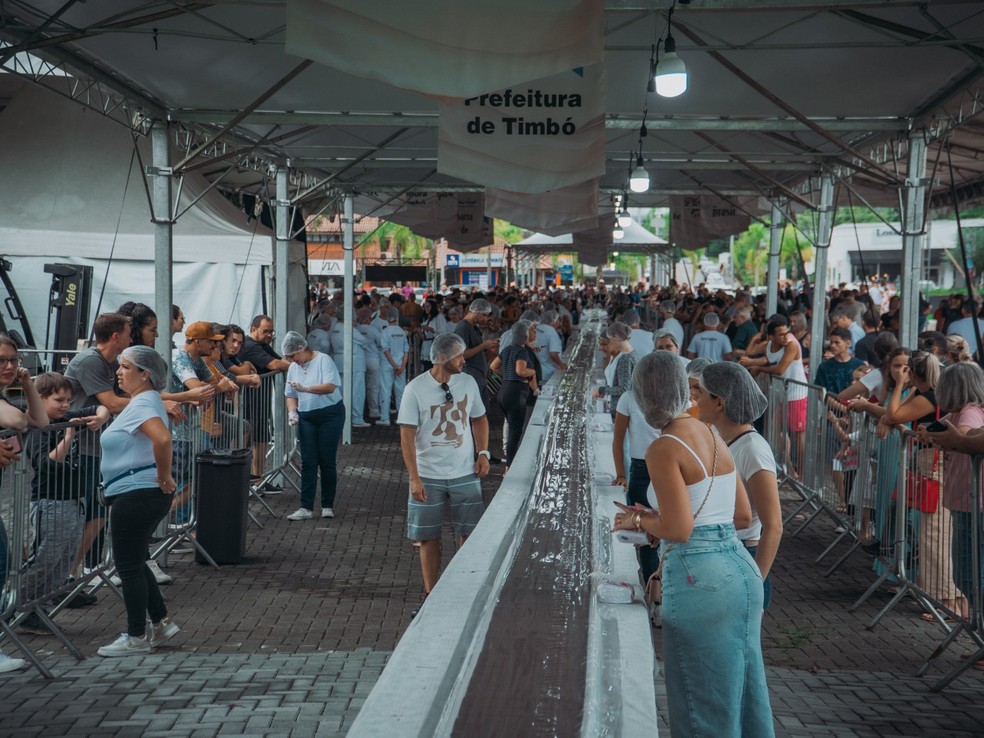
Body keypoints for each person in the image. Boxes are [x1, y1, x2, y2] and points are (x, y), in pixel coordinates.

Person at [612, 351, 774, 737]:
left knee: (702, 703)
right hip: (739, 568)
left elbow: (680, 528)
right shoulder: (714, 434)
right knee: (748, 696)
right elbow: (740, 516)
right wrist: (660, 519)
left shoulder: (663, 447)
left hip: (700, 578)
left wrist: (638, 519)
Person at [96, 346, 180, 657]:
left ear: (145, 374)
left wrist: (163, 475)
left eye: (126, 367)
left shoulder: (144, 402)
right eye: (119, 366)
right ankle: (159, 623)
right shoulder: (144, 401)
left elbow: (162, 438)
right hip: (138, 492)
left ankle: (135, 636)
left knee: (127, 566)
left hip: (138, 493)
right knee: (135, 561)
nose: (119, 372)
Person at [398, 333, 490, 611]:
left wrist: (483, 453)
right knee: (427, 536)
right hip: (428, 474)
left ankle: (461, 589)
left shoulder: (468, 382)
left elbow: (480, 418)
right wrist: (414, 477)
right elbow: (406, 436)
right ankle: (431, 593)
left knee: (470, 534)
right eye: (458, 356)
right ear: (441, 358)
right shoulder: (415, 389)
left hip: (465, 472)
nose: (464, 360)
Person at [18, 373, 109, 635]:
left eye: (69, 400)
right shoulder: (39, 430)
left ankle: (39, 608)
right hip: (51, 502)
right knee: (46, 558)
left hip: (73, 501)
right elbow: (47, 465)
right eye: (59, 400)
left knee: (65, 559)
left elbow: (97, 407)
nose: (66, 406)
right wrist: (68, 437)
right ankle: (16, 603)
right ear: (41, 398)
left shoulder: (64, 418)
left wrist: (99, 418)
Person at [697, 362, 782, 610]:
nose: (695, 399)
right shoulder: (719, 437)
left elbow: (774, 527)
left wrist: (754, 582)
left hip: (744, 558)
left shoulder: (753, 450)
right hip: (724, 556)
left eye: (700, 393)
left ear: (719, 402)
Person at [64, 313, 132, 591]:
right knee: (91, 512)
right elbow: (113, 403)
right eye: (128, 333)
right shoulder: (91, 361)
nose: (131, 338)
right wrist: (156, 401)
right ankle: (67, 575)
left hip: (97, 448)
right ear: (116, 336)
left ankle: (87, 568)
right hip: (80, 449)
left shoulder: (111, 362)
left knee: (99, 511)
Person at [281, 332, 345, 521]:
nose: (293, 361)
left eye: (293, 356)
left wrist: (306, 388)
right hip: (307, 416)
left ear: (302, 349)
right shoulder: (293, 367)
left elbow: (330, 386)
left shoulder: (323, 360)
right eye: (289, 358)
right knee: (308, 461)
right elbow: (290, 394)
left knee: (327, 460)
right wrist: (292, 412)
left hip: (330, 414)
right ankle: (306, 506)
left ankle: (327, 504)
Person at [612, 383, 662, 617]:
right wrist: (621, 474)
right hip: (640, 468)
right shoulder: (629, 397)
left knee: (662, 529)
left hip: (665, 464)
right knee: (645, 534)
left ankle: (661, 597)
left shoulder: (674, 395)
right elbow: (618, 438)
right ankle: (653, 596)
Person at [740, 314, 808, 479]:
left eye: (787, 332)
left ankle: (804, 475)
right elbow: (753, 356)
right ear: (771, 337)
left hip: (796, 395)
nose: (786, 337)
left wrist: (754, 364)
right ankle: (789, 470)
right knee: (777, 432)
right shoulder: (769, 345)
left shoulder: (791, 345)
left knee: (798, 435)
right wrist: (752, 361)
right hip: (781, 395)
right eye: (781, 334)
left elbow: (779, 370)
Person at [239, 315, 291, 485]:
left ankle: (258, 479)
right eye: (265, 331)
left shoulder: (262, 345)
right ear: (253, 329)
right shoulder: (250, 346)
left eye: (271, 331)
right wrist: (300, 364)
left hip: (259, 402)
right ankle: (251, 480)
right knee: (247, 442)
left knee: (261, 439)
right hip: (248, 403)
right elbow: (275, 365)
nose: (269, 335)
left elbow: (279, 361)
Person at [490, 320, 538, 468]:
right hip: (516, 393)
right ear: (524, 336)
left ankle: (511, 463)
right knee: (515, 433)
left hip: (504, 391)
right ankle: (510, 467)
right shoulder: (522, 351)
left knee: (512, 428)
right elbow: (520, 371)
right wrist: (533, 371)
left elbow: (493, 366)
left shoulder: (507, 349)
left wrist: (506, 374)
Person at [453, 299, 499, 404]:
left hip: (479, 374)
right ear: (475, 312)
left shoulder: (473, 326)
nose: (486, 319)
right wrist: (483, 346)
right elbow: (461, 354)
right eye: (484, 315)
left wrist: (489, 345)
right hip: (470, 373)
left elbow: (476, 347)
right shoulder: (463, 328)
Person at [595, 322, 636, 419]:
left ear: (617, 338)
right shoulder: (629, 354)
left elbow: (624, 388)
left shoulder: (625, 358)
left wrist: (601, 390)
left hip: (621, 409)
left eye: (610, 341)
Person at [377, 308, 409, 426]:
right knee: (400, 391)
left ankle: (385, 418)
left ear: (387, 318)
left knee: (386, 390)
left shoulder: (385, 332)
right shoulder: (402, 332)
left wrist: (394, 365)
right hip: (401, 366)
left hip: (387, 365)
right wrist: (401, 366)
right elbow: (406, 350)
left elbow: (386, 351)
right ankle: (401, 417)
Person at [813, 327, 865, 397]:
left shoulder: (859, 365)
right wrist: (839, 407)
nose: (833, 345)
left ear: (848, 343)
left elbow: (865, 391)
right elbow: (821, 393)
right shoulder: (824, 366)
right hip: (832, 407)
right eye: (831, 342)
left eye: (837, 342)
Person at [532, 309, 568, 382]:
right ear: (553, 321)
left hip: (536, 373)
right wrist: (561, 365)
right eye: (558, 320)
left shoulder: (537, 329)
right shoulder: (551, 331)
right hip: (548, 374)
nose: (559, 323)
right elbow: (553, 354)